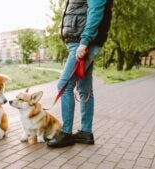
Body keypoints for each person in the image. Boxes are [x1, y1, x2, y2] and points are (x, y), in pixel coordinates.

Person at [47, 0, 113, 147]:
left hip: (82, 42)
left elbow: (96, 10)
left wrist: (84, 41)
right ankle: (85, 132)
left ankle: (67, 133)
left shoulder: (84, 41)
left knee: (64, 85)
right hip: (79, 41)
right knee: (84, 89)